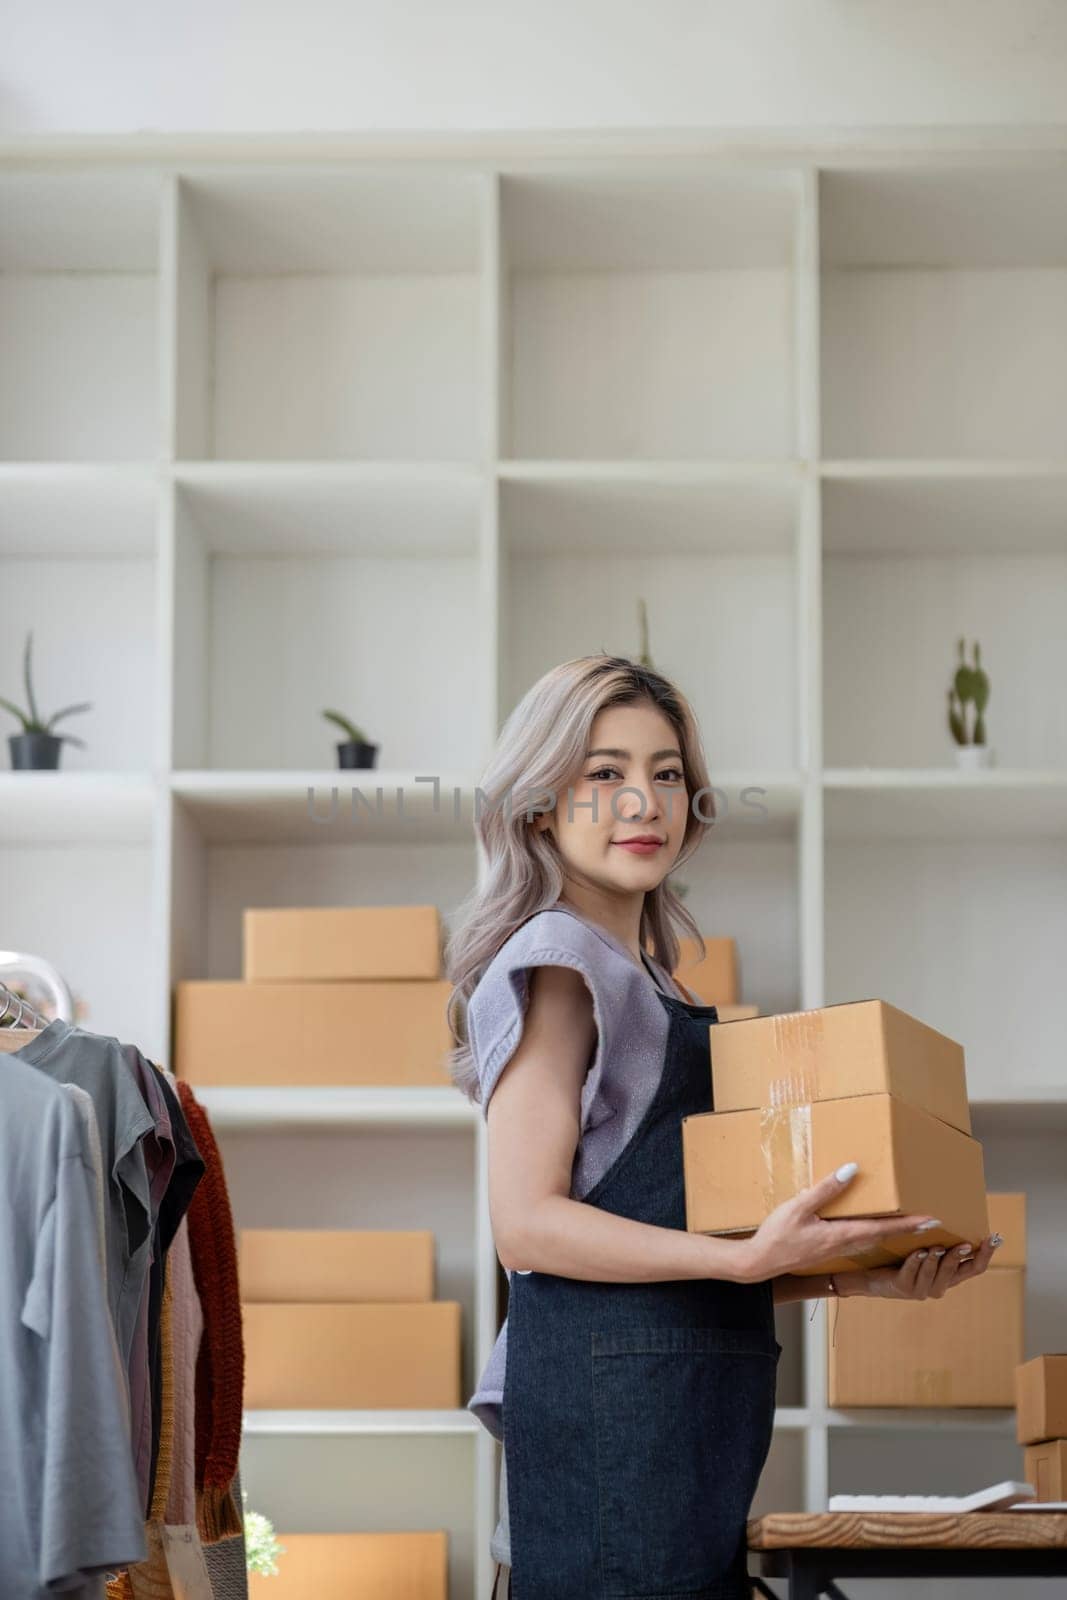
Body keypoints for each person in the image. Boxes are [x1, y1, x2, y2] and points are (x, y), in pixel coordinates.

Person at [445, 655, 999, 1600]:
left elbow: (671, 1263)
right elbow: (528, 1227)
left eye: (665, 774)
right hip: (613, 1421)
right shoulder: (558, 960)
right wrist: (743, 1262)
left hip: (677, 1412)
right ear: (540, 803)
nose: (642, 802)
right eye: (604, 772)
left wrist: (846, 1273)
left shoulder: (650, 976)